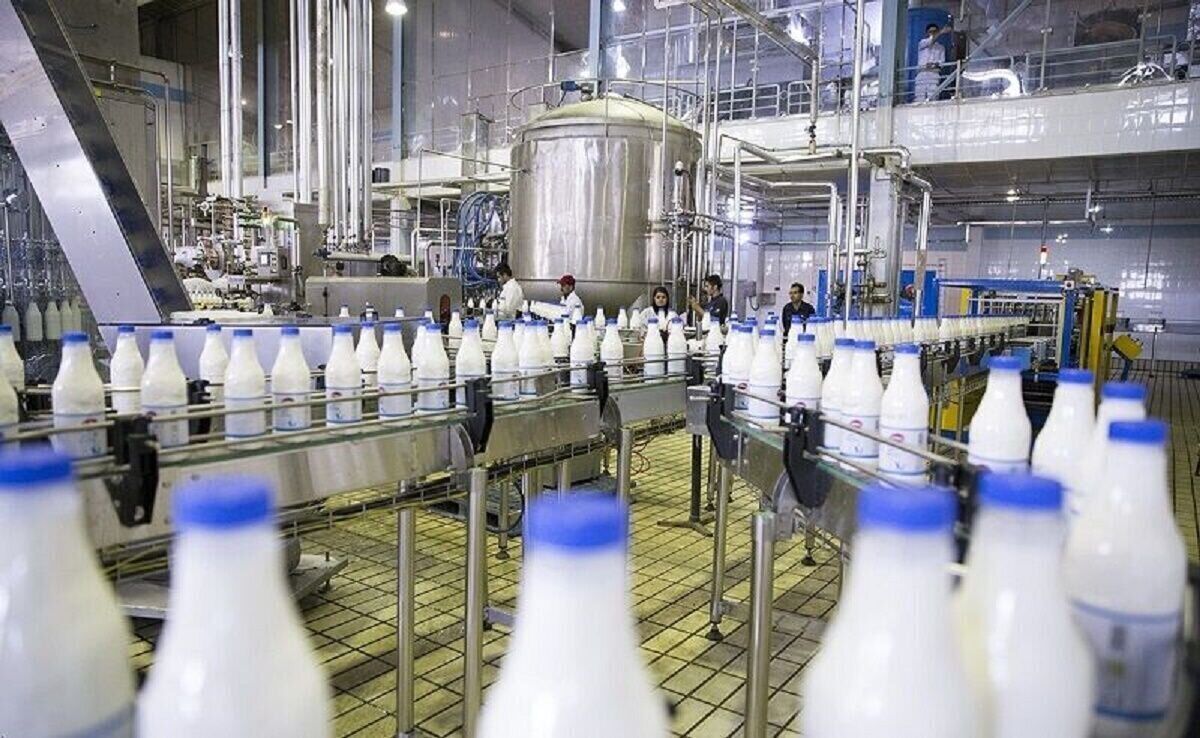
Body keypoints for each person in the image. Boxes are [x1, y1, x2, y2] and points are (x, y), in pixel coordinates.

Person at [915, 23, 949, 102]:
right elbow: (930, 41)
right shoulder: (922, 43)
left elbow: (942, 62)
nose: (933, 33)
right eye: (931, 32)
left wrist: (934, 64)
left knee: (933, 98)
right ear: (927, 33)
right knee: (919, 98)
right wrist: (941, 32)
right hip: (922, 73)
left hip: (934, 74)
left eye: (935, 31)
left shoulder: (941, 47)